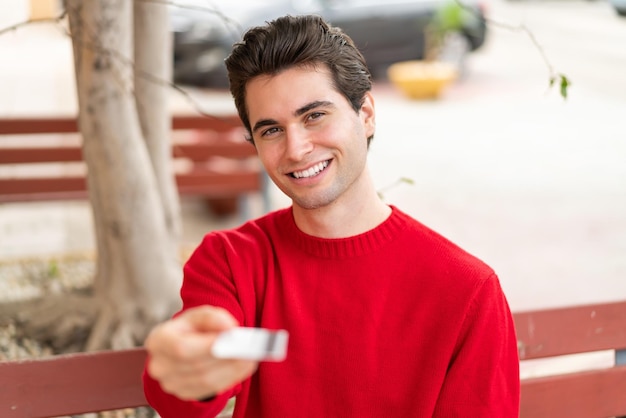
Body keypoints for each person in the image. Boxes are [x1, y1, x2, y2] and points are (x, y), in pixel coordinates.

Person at [142, 14, 520, 417]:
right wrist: (187, 368)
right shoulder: (233, 261)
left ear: (367, 114)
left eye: (314, 116)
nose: (296, 148)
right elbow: (181, 403)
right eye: (271, 130)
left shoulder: (467, 291)